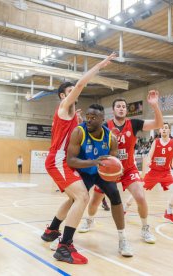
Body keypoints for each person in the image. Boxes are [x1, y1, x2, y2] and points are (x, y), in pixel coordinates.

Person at [41, 53, 115, 265]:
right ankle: (64, 247)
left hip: (63, 160)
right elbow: (82, 83)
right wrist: (100, 65)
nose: (74, 93)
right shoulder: (64, 108)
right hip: (58, 161)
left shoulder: (72, 115)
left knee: (75, 197)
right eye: (70, 91)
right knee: (83, 197)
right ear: (63, 97)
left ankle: (52, 230)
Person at [80, 90, 163, 244]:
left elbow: (158, 124)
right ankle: (89, 220)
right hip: (108, 170)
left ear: (126, 110)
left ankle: (145, 229)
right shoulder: (105, 126)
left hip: (128, 169)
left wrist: (155, 105)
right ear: (113, 110)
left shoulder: (134, 124)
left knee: (140, 197)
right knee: (95, 202)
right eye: (118, 106)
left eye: (124, 106)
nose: (121, 108)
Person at [66, 103, 133, 257]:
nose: (88, 120)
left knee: (115, 196)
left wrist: (116, 167)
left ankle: (122, 239)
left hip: (101, 173)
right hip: (84, 171)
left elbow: (113, 159)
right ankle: (65, 238)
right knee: (75, 200)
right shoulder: (79, 131)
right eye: (87, 117)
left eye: (93, 118)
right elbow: (71, 160)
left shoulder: (111, 138)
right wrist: (94, 162)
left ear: (102, 119)